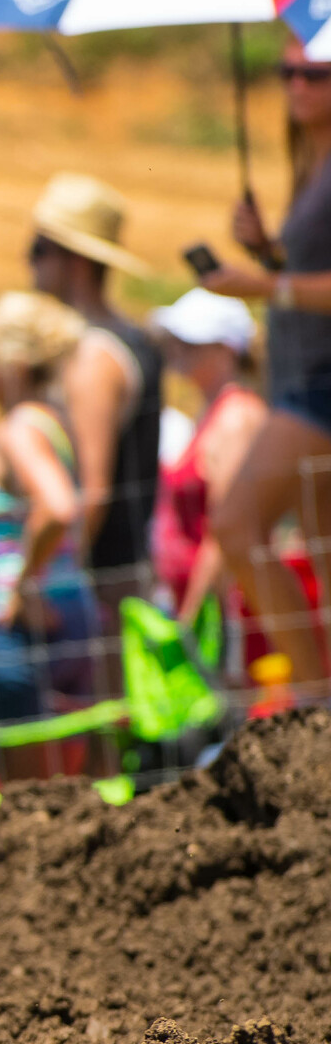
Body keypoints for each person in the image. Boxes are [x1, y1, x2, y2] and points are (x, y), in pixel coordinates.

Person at [200, 40, 331, 701]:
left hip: (319, 387)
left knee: (236, 524)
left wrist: (260, 283)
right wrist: (268, 250)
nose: (297, 85)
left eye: (315, 74)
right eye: (288, 72)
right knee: (323, 550)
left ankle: (313, 698)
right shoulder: (314, 163)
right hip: (300, 374)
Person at [25, 174, 165, 674]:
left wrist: (50, 583)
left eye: (38, 249)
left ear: (75, 260)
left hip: (94, 587)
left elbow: (92, 489)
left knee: (86, 737)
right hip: (124, 572)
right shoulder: (132, 338)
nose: (29, 264)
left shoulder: (91, 356)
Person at [0, 293, 100, 781]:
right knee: (61, 782)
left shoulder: (18, 429)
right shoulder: (54, 420)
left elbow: (57, 506)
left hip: (22, 625)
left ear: (10, 365)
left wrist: (22, 586)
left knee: (22, 797)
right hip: (71, 608)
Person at [148, 289, 278, 677]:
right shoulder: (211, 412)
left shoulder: (236, 418)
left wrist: (191, 617)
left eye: (191, 341)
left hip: (225, 613)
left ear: (225, 350)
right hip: (203, 608)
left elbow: (225, 529)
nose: (177, 349)